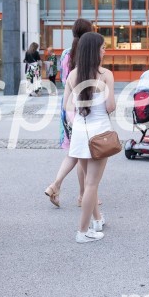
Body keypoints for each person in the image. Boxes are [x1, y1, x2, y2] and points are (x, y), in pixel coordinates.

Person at [63, 32, 115, 243]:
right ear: (95, 51)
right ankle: (83, 232)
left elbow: (67, 107)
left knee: (89, 182)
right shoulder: (105, 74)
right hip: (99, 133)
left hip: (80, 132)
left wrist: (77, 120)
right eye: (103, 48)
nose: (105, 51)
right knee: (92, 185)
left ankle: (96, 220)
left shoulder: (73, 75)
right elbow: (110, 106)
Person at [44, 19, 91, 208]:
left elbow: (62, 78)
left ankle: (56, 185)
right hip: (82, 106)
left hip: (66, 105)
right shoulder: (87, 53)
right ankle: (83, 195)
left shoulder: (65, 53)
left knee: (75, 151)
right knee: (82, 153)